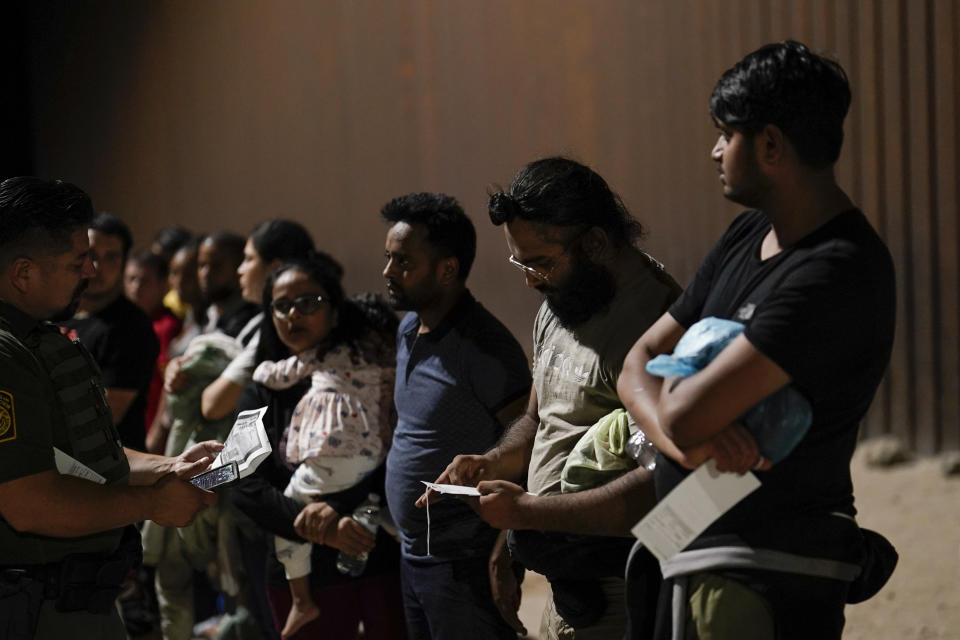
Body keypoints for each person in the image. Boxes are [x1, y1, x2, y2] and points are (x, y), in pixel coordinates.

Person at [616, 41, 896, 639]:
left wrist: (677, 422)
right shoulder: (748, 233)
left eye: (726, 134)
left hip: (763, 568)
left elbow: (683, 410)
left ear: (770, 145)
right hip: (691, 535)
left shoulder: (835, 269)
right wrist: (682, 444)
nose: (714, 151)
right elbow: (635, 362)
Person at [423, 158, 681, 639]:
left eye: (541, 262)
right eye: (520, 262)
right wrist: (495, 462)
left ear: (597, 243)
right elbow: (539, 420)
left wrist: (525, 516)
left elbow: (660, 486)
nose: (530, 279)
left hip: (627, 593)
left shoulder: (659, 324)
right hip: (568, 592)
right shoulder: (564, 303)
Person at [0, 176, 220, 640]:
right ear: (23, 273)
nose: (91, 271)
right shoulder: (6, 355)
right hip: (35, 611)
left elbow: (84, 457)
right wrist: (153, 504)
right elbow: (29, 503)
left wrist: (168, 464)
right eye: (77, 261)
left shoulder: (36, 340)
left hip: (71, 602)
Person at [381, 193, 532, 640]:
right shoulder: (409, 326)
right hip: (413, 556)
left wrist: (505, 555)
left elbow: (529, 445)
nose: (388, 272)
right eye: (388, 258)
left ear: (446, 269)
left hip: (466, 565)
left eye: (403, 262)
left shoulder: (485, 348)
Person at [232, 254, 406, 640]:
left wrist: (341, 509)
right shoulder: (260, 391)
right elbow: (243, 484)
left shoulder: (368, 376)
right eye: (281, 305)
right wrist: (319, 528)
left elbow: (396, 453)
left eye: (309, 302)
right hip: (298, 580)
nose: (294, 314)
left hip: (374, 565)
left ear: (335, 310)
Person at [200, 219, 318, 423]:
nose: (240, 270)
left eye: (248, 259)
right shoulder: (260, 321)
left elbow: (212, 405)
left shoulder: (280, 325)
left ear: (275, 269)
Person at [61, 213, 160, 452]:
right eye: (91, 255)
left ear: (124, 264)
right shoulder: (55, 311)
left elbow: (103, 416)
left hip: (110, 469)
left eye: (111, 257)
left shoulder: (131, 327)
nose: (98, 267)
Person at [125, 248, 183, 433]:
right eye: (131, 279)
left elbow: (165, 384)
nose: (136, 288)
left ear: (163, 285)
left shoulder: (167, 326)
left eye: (145, 281)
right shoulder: (125, 323)